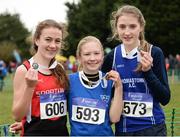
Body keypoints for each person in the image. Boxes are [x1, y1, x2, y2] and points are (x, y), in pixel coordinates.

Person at [101, 5, 171, 136]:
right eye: (122, 27)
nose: (127, 32)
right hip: (123, 130)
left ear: (141, 27)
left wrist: (148, 72)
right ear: (116, 28)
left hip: (153, 129)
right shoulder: (112, 57)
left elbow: (165, 98)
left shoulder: (154, 53)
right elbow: (105, 95)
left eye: (132, 26)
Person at [12, 19, 69, 136]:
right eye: (48, 39)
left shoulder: (59, 68)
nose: (53, 45)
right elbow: (17, 115)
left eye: (57, 41)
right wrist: (29, 87)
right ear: (37, 40)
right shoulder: (24, 70)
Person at [68, 36, 123, 136]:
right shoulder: (69, 81)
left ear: (102, 56)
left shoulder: (110, 81)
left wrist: (119, 87)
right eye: (87, 54)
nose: (92, 58)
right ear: (79, 57)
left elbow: (114, 118)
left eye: (96, 53)